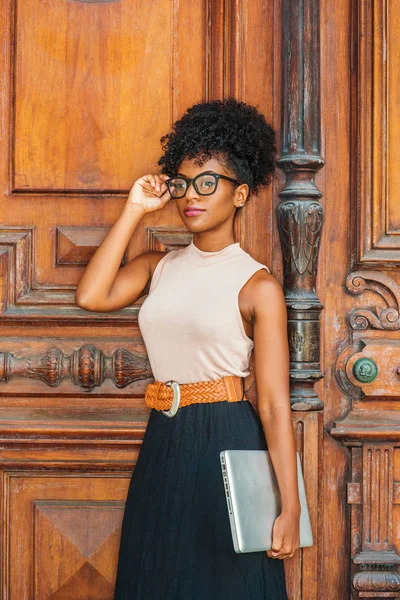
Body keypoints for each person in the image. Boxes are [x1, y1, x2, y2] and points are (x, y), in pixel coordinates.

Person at [75, 97, 300, 599]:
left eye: (207, 182)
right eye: (182, 183)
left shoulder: (257, 286)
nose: (191, 196)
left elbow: (272, 403)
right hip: (165, 437)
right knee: (157, 576)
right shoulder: (160, 265)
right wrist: (136, 208)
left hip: (228, 436)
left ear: (240, 194)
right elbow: (91, 295)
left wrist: (290, 506)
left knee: (226, 584)